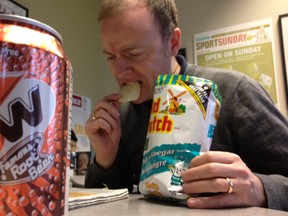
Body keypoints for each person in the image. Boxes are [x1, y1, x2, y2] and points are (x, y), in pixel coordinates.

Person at [85, 0, 288, 211]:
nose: (118, 71)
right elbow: (115, 205)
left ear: (172, 42)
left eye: (133, 53)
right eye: (110, 57)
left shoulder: (234, 92)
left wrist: (260, 189)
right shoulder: (122, 116)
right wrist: (105, 161)